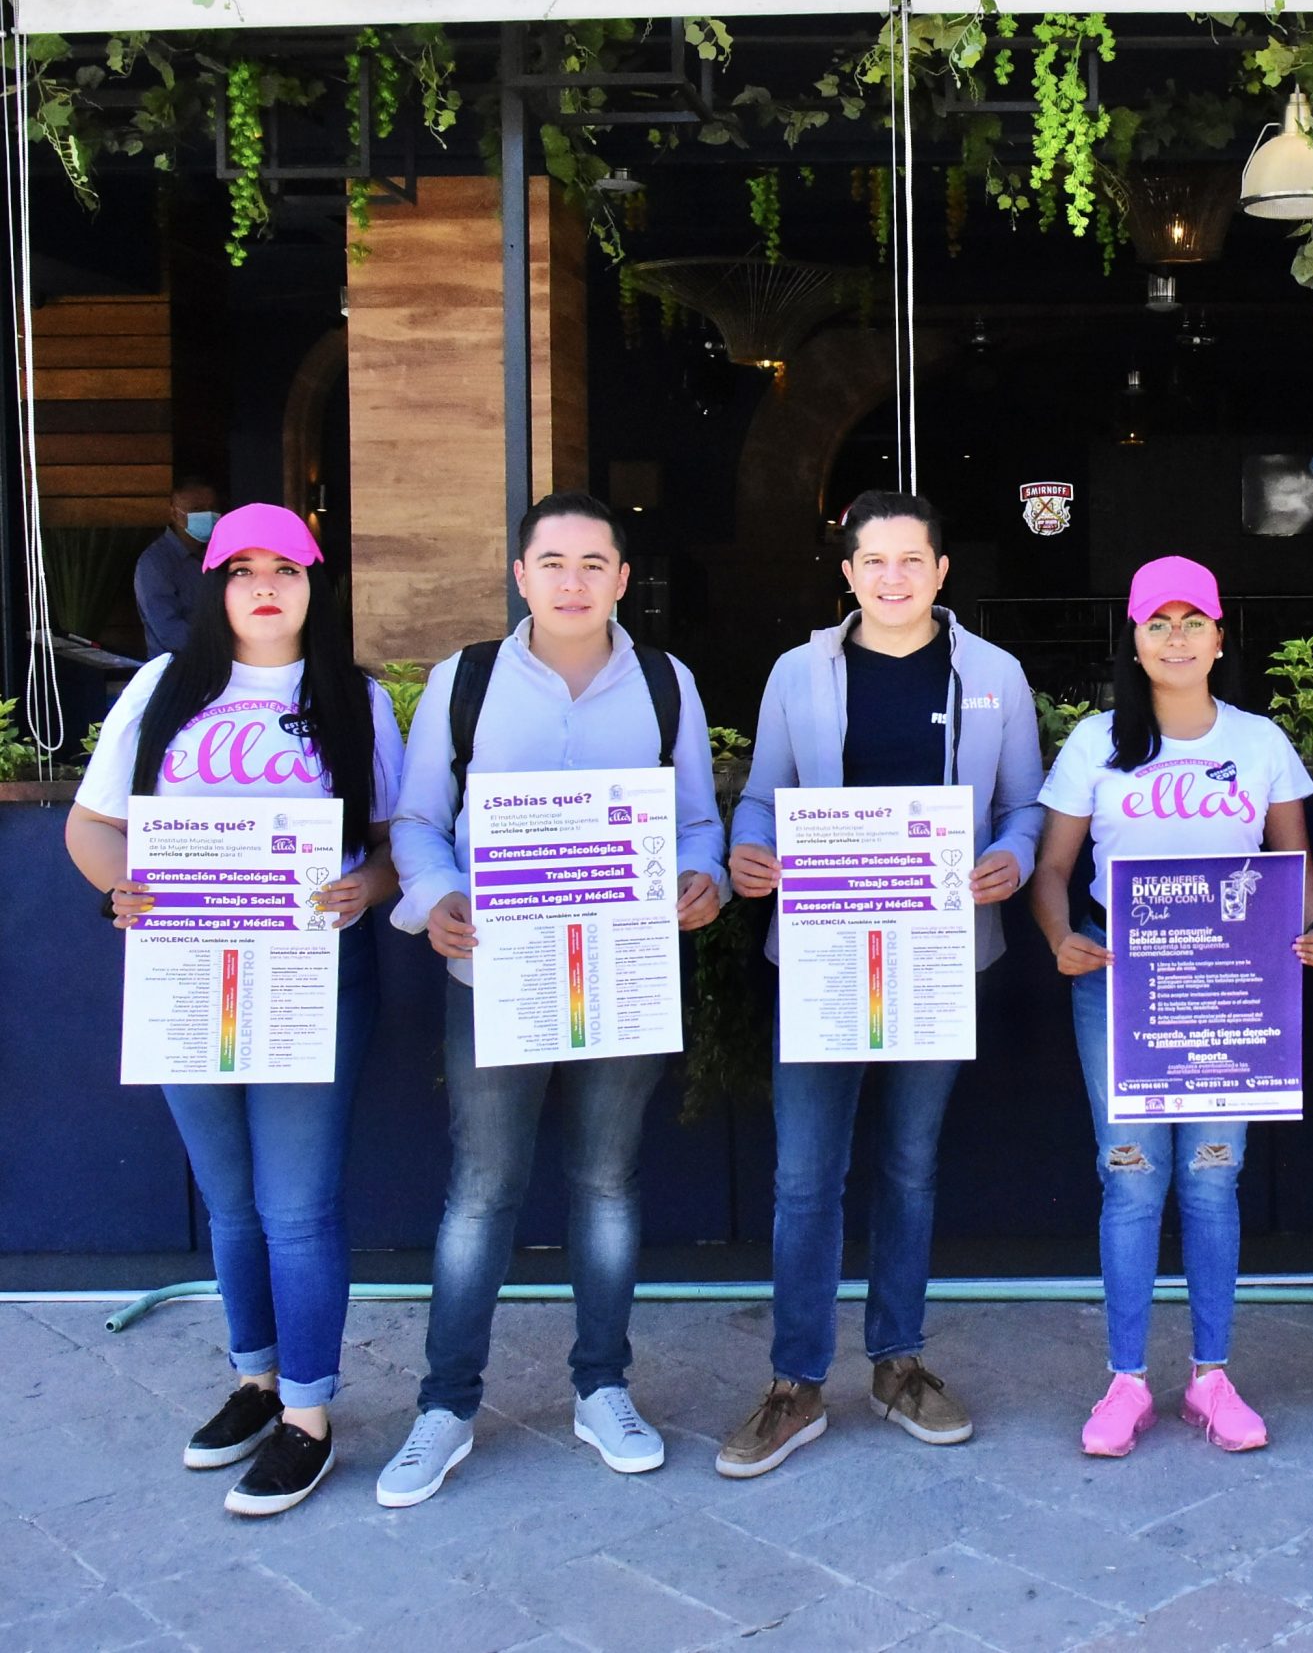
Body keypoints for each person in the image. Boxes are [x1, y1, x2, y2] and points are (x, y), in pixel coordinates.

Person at [374, 491, 729, 1507]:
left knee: (607, 1182)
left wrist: (700, 877)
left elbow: (697, 820)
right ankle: (445, 1405)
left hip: (623, 974)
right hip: (496, 974)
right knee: (483, 1187)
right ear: (521, 575)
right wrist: (436, 898)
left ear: (623, 579)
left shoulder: (663, 681)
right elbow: (418, 820)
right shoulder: (466, 680)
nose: (573, 581)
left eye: (593, 563)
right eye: (553, 562)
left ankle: (602, 1387)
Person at [65, 503, 403, 1516]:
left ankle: (308, 1412)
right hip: (188, 976)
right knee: (230, 1200)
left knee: (297, 1204)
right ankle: (255, 1379)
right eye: (242, 568)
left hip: (311, 979)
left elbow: (394, 841)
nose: (265, 585)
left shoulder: (353, 697)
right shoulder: (163, 687)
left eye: (286, 567)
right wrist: (121, 888)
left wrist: (366, 885)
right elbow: (92, 825)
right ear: (213, 585)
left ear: (313, 582)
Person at [716, 491, 1044, 1478]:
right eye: (874, 561)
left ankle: (898, 1362)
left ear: (941, 571)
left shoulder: (994, 674)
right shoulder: (798, 671)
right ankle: (795, 1380)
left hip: (940, 955)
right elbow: (761, 797)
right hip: (821, 954)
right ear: (848, 573)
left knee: (909, 1163)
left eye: (911, 559)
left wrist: (1014, 856)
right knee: (804, 1174)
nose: (892, 577)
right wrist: (748, 850)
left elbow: (1024, 806)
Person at [1029, 554, 1313, 1458]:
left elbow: (1296, 867)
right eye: (1158, 623)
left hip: (1231, 989)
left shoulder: (1259, 741)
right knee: (1131, 1177)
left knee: (1211, 1175)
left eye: (1192, 621)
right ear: (1134, 640)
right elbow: (1052, 869)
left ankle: (1212, 1376)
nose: (1176, 638)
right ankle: (1126, 1381)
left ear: (1217, 637)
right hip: (1120, 984)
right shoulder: (1097, 742)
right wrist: (1058, 936)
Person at [135, 475, 222, 659]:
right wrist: (221, 649)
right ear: (175, 514)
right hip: (178, 667)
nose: (207, 515)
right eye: (197, 509)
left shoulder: (221, 555)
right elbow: (169, 630)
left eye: (212, 508)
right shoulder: (155, 563)